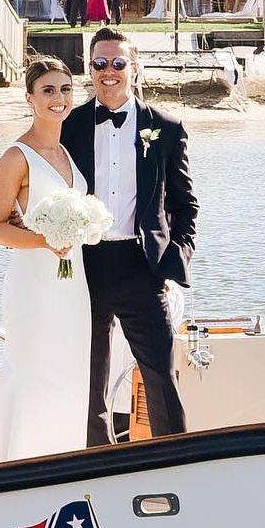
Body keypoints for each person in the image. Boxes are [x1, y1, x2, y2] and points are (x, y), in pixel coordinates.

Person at [59, 26, 199, 446]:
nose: (109, 71)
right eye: (100, 63)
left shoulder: (166, 127)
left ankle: (174, 461)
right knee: (91, 375)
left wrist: (173, 260)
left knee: (160, 372)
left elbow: (186, 205)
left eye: (118, 63)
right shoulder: (69, 125)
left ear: (134, 67)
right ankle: (96, 462)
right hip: (86, 264)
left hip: (142, 265)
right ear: (89, 69)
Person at [0, 55, 89, 461]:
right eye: (48, 90)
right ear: (30, 98)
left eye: (65, 89)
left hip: (73, 285)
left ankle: (63, 460)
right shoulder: (16, 157)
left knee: (70, 372)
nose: (59, 98)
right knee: (33, 372)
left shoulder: (66, 153)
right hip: (34, 286)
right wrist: (45, 241)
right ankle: (13, 462)